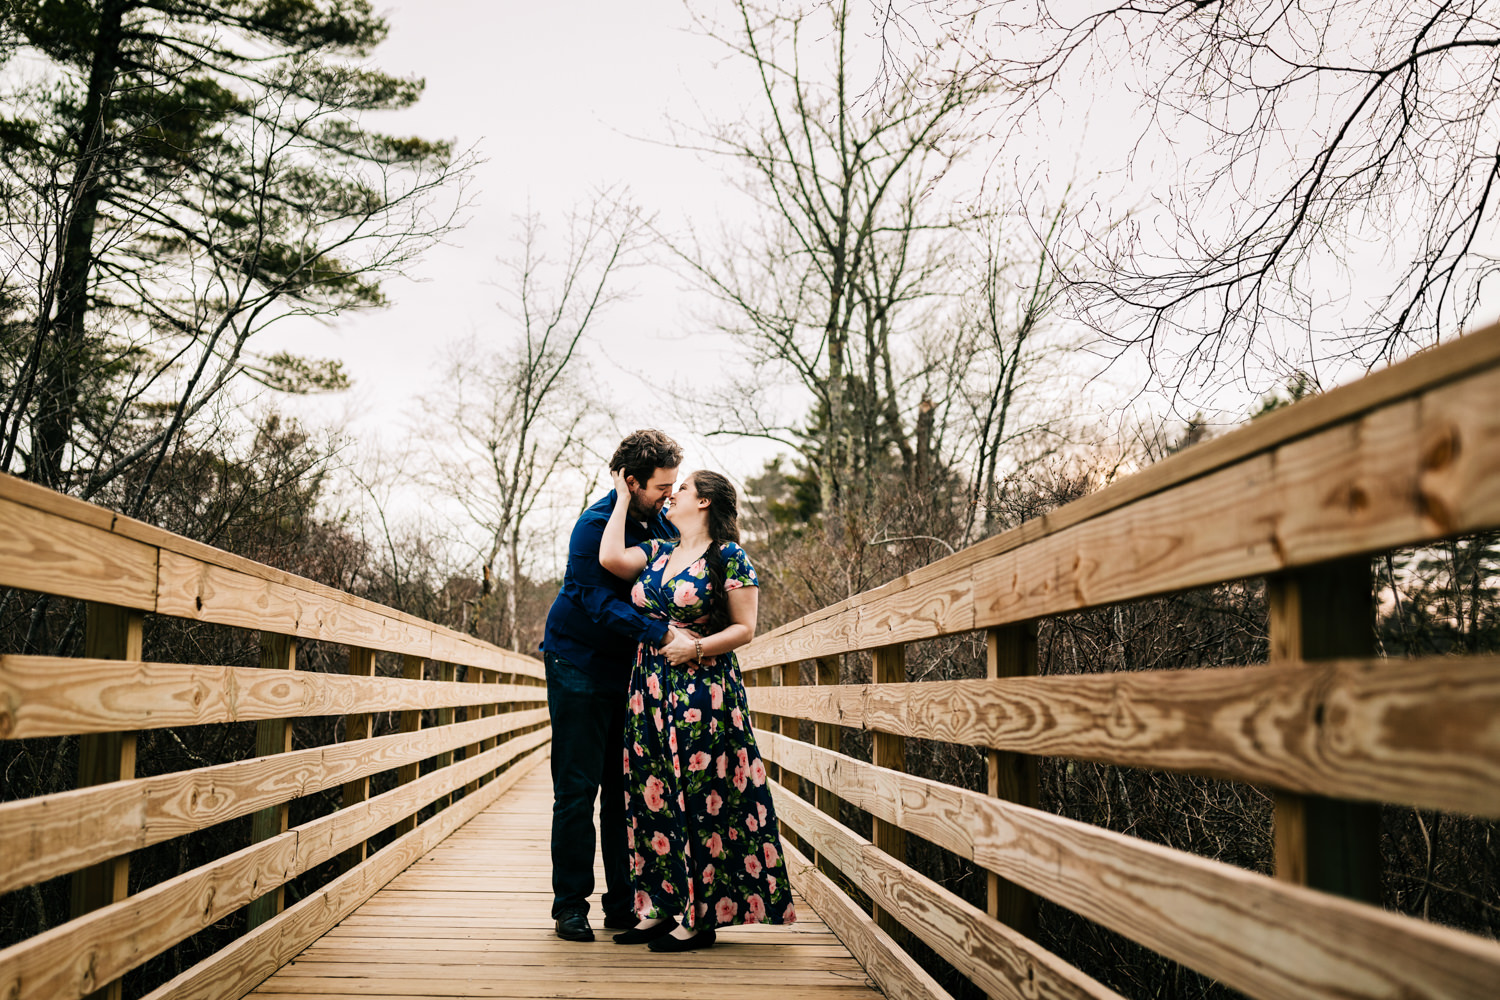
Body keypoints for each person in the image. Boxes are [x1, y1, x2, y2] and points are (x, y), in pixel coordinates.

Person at [599, 468, 796, 952]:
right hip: (648, 692)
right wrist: (622, 496)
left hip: (701, 694)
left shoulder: (727, 556)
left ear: (705, 501)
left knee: (697, 796)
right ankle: (658, 908)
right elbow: (608, 558)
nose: (672, 494)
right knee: (651, 796)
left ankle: (698, 917)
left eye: (682, 488)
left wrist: (698, 648)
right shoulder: (662, 551)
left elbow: (745, 628)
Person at [541, 429, 698, 942]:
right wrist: (660, 633)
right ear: (630, 482)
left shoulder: (661, 523)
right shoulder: (592, 527)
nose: (670, 494)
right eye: (661, 486)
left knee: (624, 794)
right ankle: (569, 907)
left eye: (675, 485)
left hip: (631, 673)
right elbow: (594, 600)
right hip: (578, 663)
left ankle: (622, 903)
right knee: (577, 789)